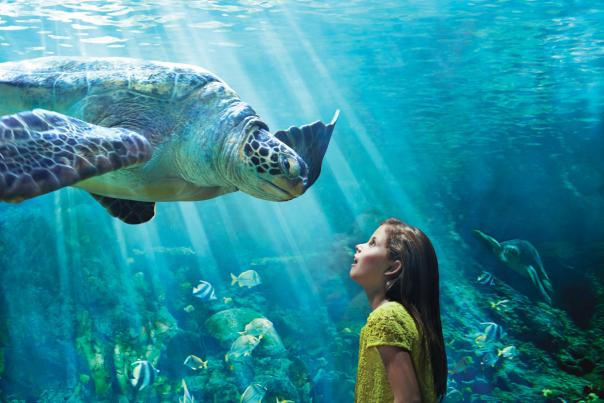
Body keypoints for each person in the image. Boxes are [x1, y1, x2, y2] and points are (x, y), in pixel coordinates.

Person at [350, 218, 447, 402]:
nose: (358, 245)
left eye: (372, 243)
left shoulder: (387, 318)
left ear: (393, 267)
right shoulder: (404, 317)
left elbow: (408, 399)